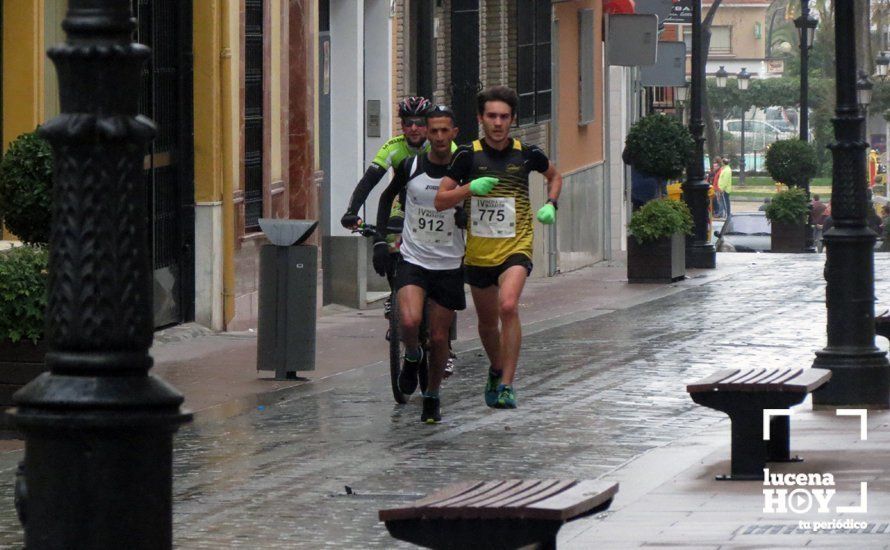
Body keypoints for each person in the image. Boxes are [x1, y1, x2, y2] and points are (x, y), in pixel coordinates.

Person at [434, 85, 563, 409]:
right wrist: (469, 188)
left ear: (512, 119)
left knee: (508, 306)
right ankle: (495, 368)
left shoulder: (527, 153)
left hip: (515, 246)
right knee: (488, 322)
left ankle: (507, 384)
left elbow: (555, 176)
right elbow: (440, 200)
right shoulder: (467, 155)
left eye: (504, 116)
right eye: (491, 116)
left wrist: (551, 204)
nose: (497, 122)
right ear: (481, 118)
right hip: (479, 252)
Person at [339, 96, 459, 375]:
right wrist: (351, 211)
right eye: (408, 124)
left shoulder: (443, 145)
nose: (414, 129)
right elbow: (370, 182)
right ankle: (396, 298)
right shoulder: (393, 149)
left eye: (419, 124)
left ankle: (446, 344)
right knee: (392, 248)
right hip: (403, 207)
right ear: (402, 126)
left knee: (446, 280)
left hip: (439, 208)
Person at [373, 105, 465, 424]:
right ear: (426, 133)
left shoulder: (464, 168)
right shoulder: (411, 165)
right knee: (408, 322)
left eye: (445, 131)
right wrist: (379, 241)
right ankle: (412, 357)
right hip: (414, 258)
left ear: (454, 133)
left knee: (440, 338)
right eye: (433, 130)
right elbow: (386, 199)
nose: (439, 137)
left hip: (450, 263)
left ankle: (432, 395)